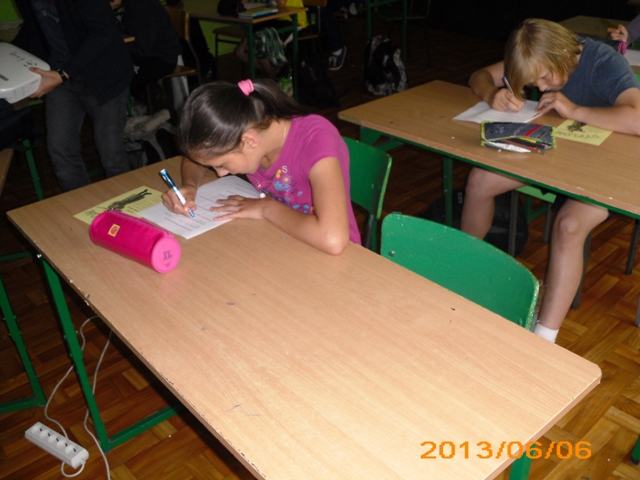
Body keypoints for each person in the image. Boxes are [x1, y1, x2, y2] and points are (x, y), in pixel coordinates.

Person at [460, 18, 640, 343]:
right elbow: (480, 76)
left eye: (544, 78)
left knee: (568, 226)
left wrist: (575, 110)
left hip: (602, 167)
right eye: (535, 81)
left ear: (561, 55)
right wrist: (492, 93)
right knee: (479, 181)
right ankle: (461, 271)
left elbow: (638, 117)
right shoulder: (539, 56)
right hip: (554, 154)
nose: (541, 87)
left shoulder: (603, 61)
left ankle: (544, 337)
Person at [161, 78, 360, 255]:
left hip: (336, 257)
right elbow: (196, 158)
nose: (220, 173)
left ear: (249, 141)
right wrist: (190, 186)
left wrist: (266, 208)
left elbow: (333, 239)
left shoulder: (316, 141)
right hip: (282, 241)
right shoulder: (252, 133)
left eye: (221, 164)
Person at [12, 0, 133, 192]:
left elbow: (103, 32)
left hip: (104, 76)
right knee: (61, 151)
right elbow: (34, 28)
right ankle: (82, 206)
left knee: (112, 155)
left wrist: (63, 74)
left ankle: (129, 207)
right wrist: (9, 57)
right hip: (61, 79)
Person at [109, 0, 182, 104]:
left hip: (160, 59)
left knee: (116, 72)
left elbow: (141, 47)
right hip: (148, 54)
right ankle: (141, 104)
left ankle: (140, 105)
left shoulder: (144, 7)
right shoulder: (131, 5)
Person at [234, 0, 308, 79]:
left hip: (292, 20)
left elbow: (282, 4)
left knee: (261, 45)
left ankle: (272, 77)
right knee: (240, 51)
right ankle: (276, 72)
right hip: (272, 20)